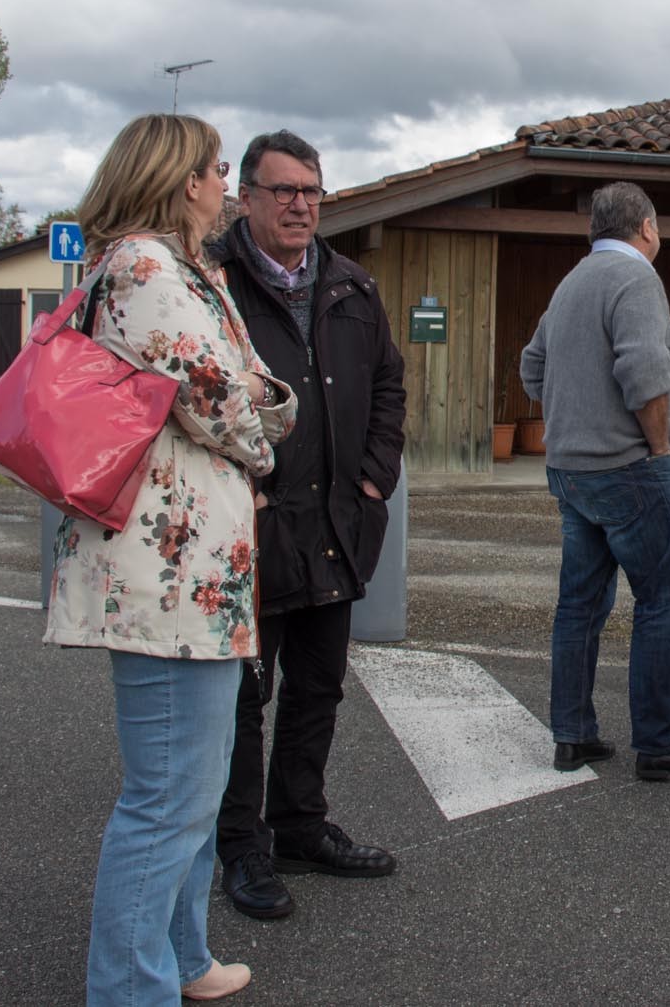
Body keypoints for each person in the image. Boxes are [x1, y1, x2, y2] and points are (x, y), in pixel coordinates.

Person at [46, 113, 297, 1006]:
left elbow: (250, 385)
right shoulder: (146, 267)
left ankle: (182, 956)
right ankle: (128, 988)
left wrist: (258, 403)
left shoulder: (187, 269)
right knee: (165, 798)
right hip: (165, 576)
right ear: (182, 178)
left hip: (200, 573)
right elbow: (228, 400)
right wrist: (263, 431)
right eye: (219, 169)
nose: (227, 185)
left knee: (197, 788)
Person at [207, 129, 408, 920]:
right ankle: (241, 845)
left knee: (318, 688)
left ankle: (298, 824)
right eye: (284, 190)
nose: (300, 204)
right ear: (246, 196)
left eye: (312, 191)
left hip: (336, 521)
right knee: (242, 697)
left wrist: (372, 479)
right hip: (253, 526)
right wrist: (242, 489)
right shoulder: (214, 284)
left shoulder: (351, 285)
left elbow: (389, 385)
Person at [519, 181, 670, 782]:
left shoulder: (571, 283)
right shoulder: (636, 278)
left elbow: (530, 365)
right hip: (627, 468)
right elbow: (644, 371)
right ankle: (660, 743)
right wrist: (661, 448)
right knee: (664, 600)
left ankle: (573, 734)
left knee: (579, 606)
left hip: (570, 469)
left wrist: (572, 410)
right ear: (645, 227)